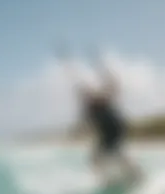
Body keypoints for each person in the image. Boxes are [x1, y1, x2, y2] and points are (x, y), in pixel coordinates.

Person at [57, 47, 142, 185]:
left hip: (116, 129)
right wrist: (75, 132)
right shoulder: (87, 110)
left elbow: (114, 86)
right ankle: (105, 180)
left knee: (117, 153)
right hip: (106, 134)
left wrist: (101, 68)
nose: (87, 95)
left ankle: (136, 176)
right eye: (84, 95)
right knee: (95, 158)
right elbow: (83, 125)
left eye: (87, 94)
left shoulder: (102, 99)